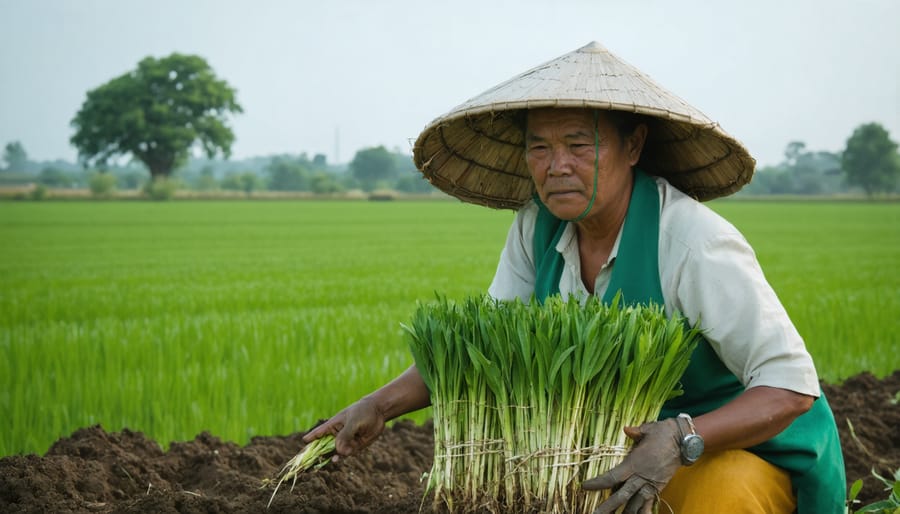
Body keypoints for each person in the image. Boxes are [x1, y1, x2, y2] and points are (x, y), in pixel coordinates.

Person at [304, 42, 845, 514]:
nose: (556, 164)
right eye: (539, 147)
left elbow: (791, 386)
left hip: (738, 450)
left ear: (632, 146)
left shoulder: (692, 241)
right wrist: (379, 405)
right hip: (624, 452)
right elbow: (482, 345)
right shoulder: (535, 228)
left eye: (578, 145)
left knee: (716, 494)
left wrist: (683, 436)